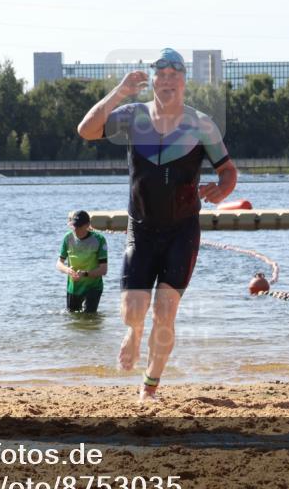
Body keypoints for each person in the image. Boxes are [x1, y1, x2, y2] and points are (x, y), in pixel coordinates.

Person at [76, 48, 238, 400]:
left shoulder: (201, 124)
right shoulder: (133, 116)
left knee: (165, 311)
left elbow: (228, 171)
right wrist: (119, 90)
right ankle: (133, 334)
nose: (166, 80)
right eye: (160, 74)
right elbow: (86, 130)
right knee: (133, 311)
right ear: (152, 81)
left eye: (173, 74)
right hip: (142, 229)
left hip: (182, 231)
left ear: (183, 80)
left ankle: (150, 387)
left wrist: (221, 190)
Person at [57, 210, 108, 313]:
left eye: (79, 226)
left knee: (89, 319)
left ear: (88, 225)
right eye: (74, 226)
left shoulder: (99, 239)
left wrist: (85, 274)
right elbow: (59, 263)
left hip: (93, 286)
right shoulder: (67, 238)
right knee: (73, 318)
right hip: (74, 287)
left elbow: (103, 270)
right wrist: (68, 270)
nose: (76, 229)